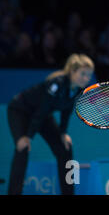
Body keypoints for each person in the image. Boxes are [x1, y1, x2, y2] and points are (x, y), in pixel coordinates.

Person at [7, 54, 94, 195]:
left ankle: (69, 192)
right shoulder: (56, 83)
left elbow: (66, 111)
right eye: (82, 74)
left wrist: (63, 133)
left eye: (88, 75)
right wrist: (28, 136)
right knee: (22, 148)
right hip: (20, 110)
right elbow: (41, 110)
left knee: (65, 147)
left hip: (42, 115)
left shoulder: (78, 89)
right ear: (72, 71)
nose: (86, 78)